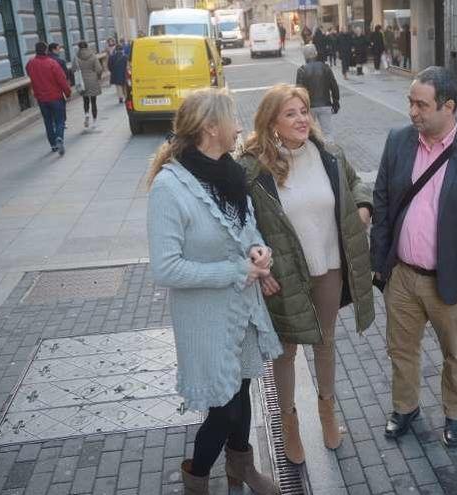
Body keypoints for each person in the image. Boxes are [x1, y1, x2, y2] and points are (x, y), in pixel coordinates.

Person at [146, 88, 282, 495]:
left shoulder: (230, 173)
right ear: (210, 127)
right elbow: (165, 268)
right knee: (224, 411)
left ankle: (241, 468)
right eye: (232, 118)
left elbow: (245, 229)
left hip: (241, 314)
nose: (240, 125)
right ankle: (197, 478)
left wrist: (257, 249)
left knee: (243, 396)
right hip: (205, 321)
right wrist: (237, 270)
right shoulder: (169, 188)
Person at [371, 66, 457, 447]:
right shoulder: (398, 141)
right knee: (400, 350)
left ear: (448, 106)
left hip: (451, 282)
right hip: (402, 276)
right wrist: (380, 266)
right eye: (410, 102)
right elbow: (383, 202)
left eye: (422, 104)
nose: (412, 111)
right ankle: (405, 407)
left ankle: (456, 415)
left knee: (456, 355)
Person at [238, 84, 375, 465]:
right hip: (284, 274)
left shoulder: (329, 153)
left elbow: (356, 183)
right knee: (286, 349)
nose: (301, 119)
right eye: (290, 113)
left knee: (326, 341)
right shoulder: (252, 168)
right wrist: (257, 264)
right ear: (272, 123)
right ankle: (289, 423)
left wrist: (363, 207)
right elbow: (240, 224)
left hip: (329, 264)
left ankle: (327, 411)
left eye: (304, 111)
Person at [26, 41, 71, 155]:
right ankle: (59, 137)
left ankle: (53, 145)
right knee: (59, 120)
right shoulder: (52, 63)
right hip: (56, 97)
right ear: (46, 50)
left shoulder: (30, 64)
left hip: (41, 99)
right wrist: (68, 92)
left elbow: (29, 73)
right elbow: (61, 79)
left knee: (48, 122)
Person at [296, 44, 340, 140]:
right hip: (325, 104)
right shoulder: (325, 67)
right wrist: (336, 101)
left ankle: (311, 152)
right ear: (315, 53)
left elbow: (299, 91)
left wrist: (299, 108)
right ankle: (329, 152)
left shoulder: (302, 70)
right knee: (327, 132)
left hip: (309, 106)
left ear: (305, 56)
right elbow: (334, 86)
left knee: (308, 131)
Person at [75, 41, 103, 128]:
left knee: (85, 100)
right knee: (94, 102)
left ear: (79, 47)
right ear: (87, 46)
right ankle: (94, 121)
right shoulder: (93, 56)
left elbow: (73, 69)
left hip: (82, 81)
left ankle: (87, 114)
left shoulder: (76, 57)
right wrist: (98, 77)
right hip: (93, 80)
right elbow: (99, 69)